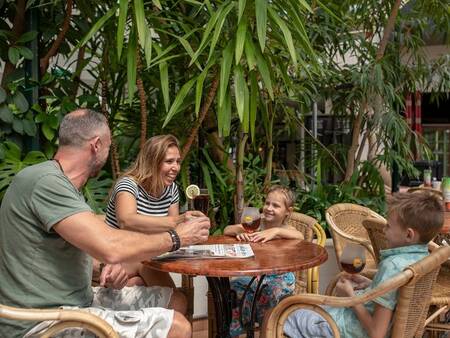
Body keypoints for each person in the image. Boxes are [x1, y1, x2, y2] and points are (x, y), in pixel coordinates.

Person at [0, 109, 210, 338]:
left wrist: (103, 269)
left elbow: (62, 250)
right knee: (177, 327)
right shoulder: (45, 182)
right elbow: (112, 244)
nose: (109, 153)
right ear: (96, 145)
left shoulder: (64, 186)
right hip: (43, 321)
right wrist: (177, 237)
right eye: (110, 147)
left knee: (174, 300)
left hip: (77, 301)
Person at [284, 192, 444, 338]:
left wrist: (350, 296)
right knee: (303, 308)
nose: (384, 231)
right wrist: (372, 285)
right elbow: (396, 294)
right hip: (351, 322)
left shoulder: (391, 266)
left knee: (279, 314)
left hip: (343, 329)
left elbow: (376, 333)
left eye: (388, 226)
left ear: (408, 235)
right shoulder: (423, 257)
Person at [105, 135, 184, 290]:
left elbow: (174, 231)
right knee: (175, 298)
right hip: (120, 256)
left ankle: (134, 283)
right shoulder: (128, 184)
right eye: (169, 161)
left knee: (144, 281)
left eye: (178, 161)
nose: (176, 167)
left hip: (149, 256)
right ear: (152, 161)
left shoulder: (171, 188)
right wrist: (176, 221)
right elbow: (126, 221)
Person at [224, 185, 304, 336]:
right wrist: (240, 233)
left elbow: (300, 237)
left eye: (275, 205)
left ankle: (266, 332)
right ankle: (233, 331)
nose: (269, 208)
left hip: (281, 278)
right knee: (234, 288)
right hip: (255, 275)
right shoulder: (256, 223)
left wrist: (276, 231)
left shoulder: (287, 230)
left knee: (270, 293)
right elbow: (227, 229)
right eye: (267, 203)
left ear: (288, 211)